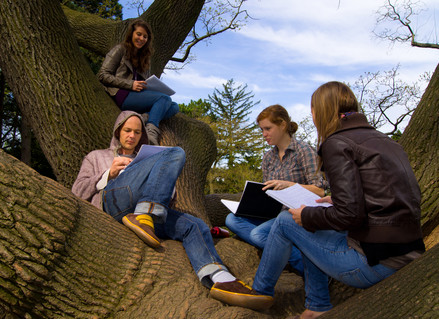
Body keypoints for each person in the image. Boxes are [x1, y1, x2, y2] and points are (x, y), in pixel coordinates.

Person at [225, 81, 425, 316]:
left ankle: (260, 292)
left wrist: (309, 214)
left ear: (321, 110)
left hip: (373, 262)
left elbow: (349, 215)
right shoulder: (385, 140)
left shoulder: (336, 143)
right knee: (304, 224)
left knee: (288, 221)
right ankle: (317, 306)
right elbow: (395, 197)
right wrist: (335, 201)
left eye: (312, 109)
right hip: (409, 251)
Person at [71, 110, 273, 309]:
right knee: (175, 152)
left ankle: (221, 278)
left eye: (137, 132)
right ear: (118, 132)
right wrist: (109, 173)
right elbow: (77, 191)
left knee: (194, 224)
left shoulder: (148, 158)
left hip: (145, 218)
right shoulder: (96, 157)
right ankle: (144, 214)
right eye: (127, 130)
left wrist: (160, 184)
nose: (132, 135)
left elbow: (171, 196)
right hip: (114, 204)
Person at [225, 104, 327, 276]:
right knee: (231, 219)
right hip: (273, 214)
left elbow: (320, 191)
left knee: (258, 235)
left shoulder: (303, 151)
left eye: (268, 128)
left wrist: (289, 185)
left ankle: (311, 270)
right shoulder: (268, 158)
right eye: (262, 130)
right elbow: (269, 192)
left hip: (296, 216)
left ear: (282, 125)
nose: (264, 134)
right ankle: (283, 249)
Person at [97, 19, 179, 145]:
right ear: (132, 34)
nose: (141, 38)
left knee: (174, 107)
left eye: (145, 36)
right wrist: (130, 84)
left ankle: (144, 118)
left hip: (137, 95)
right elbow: (102, 75)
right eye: (139, 34)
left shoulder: (145, 58)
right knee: (164, 99)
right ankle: (151, 132)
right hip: (121, 93)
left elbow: (144, 81)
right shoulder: (120, 49)